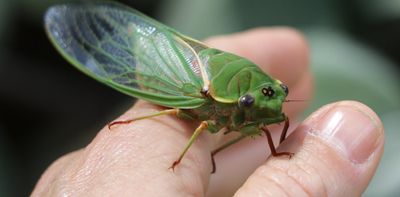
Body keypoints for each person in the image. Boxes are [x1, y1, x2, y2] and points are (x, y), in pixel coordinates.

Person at [31, 28, 384, 196]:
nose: (274, 108)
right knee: (184, 119)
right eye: (251, 104)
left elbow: (266, 119)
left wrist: (275, 146)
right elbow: (197, 125)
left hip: (222, 84)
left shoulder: (261, 100)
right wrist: (135, 120)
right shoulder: (210, 105)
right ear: (236, 101)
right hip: (181, 77)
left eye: (280, 93)